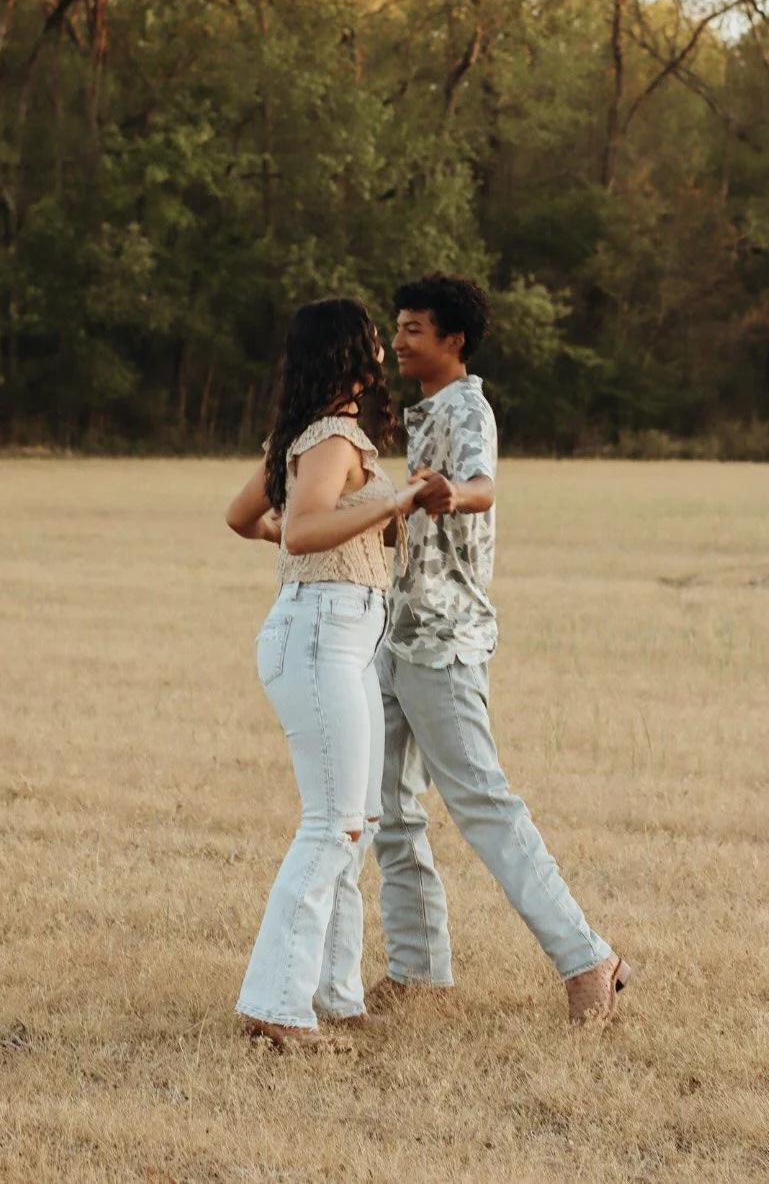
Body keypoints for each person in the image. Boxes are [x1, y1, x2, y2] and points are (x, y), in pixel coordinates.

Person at [370, 273, 631, 1028]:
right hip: (402, 629)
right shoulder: (424, 413)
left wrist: (454, 493)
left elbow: (484, 485)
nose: (398, 340)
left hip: (445, 641)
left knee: (483, 803)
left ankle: (588, 960)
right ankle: (418, 971)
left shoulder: (466, 407)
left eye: (413, 329)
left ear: (453, 340)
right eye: (398, 327)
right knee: (388, 806)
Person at [225, 296, 422, 1053]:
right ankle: (276, 1006)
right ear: (352, 354)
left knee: (357, 823)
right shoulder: (334, 437)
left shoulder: (302, 437)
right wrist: (396, 500)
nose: (382, 353)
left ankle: (337, 996)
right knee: (332, 824)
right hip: (320, 636)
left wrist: (321, 534)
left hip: (336, 633)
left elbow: (248, 517)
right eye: (374, 341)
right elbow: (303, 529)